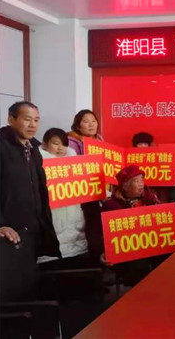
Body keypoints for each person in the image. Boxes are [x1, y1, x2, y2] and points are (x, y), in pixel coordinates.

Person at [0, 102, 60, 260]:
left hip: (32, 227)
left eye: (36, 120)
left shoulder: (33, 149)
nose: (33, 125)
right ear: (11, 120)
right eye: (27, 119)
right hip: (9, 231)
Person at [37, 128, 92, 270]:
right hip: (54, 223)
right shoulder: (37, 166)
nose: (60, 148)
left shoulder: (76, 166)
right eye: (55, 143)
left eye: (64, 144)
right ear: (44, 144)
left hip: (76, 229)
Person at [101, 165, 161, 286]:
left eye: (142, 180)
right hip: (128, 251)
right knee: (139, 265)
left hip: (150, 244)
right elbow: (103, 234)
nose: (141, 185)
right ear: (125, 186)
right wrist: (103, 252)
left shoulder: (149, 198)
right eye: (137, 181)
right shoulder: (112, 206)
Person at [67, 109, 104, 265]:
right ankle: (90, 263)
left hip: (98, 191)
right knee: (87, 228)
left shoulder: (101, 142)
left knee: (97, 227)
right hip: (81, 192)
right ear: (78, 125)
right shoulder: (71, 143)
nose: (91, 125)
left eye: (93, 121)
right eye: (86, 122)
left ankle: (99, 262)